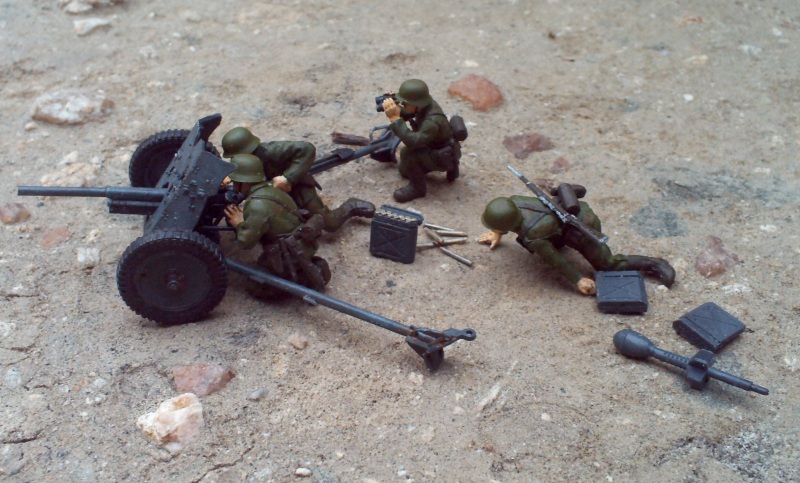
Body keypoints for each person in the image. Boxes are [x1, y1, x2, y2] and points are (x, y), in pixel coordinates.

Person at [478, 190, 675, 295]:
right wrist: (497, 233)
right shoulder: (515, 201)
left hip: (582, 225)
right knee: (552, 238)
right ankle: (557, 236)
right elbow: (507, 219)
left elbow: (556, 260)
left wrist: (578, 279)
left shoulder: (534, 235)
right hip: (558, 225)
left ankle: (654, 264)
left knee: (607, 266)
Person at [221, 127, 374, 232]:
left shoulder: (271, 151)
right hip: (274, 193)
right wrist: (228, 177)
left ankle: (351, 206)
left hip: (297, 187)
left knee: (329, 223)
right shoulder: (247, 161)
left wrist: (288, 178)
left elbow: (307, 148)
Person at [224, 153, 331, 298]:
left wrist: (239, 224)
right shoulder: (271, 189)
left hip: (288, 253)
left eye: (236, 182)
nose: (234, 187)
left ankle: (300, 280)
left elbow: (246, 242)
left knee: (254, 285)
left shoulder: (256, 205)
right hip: (301, 241)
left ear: (245, 182)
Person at [382, 79, 461, 202]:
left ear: (417, 103)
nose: (403, 104)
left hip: (441, 155)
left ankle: (417, 188)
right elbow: (410, 112)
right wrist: (395, 105)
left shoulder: (432, 122)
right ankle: (448, 170)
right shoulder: (426, 105)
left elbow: (413, 141)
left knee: (410, 155)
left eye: (405, 103)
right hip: (439, 146)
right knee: (405, 166)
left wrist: (395, 120)